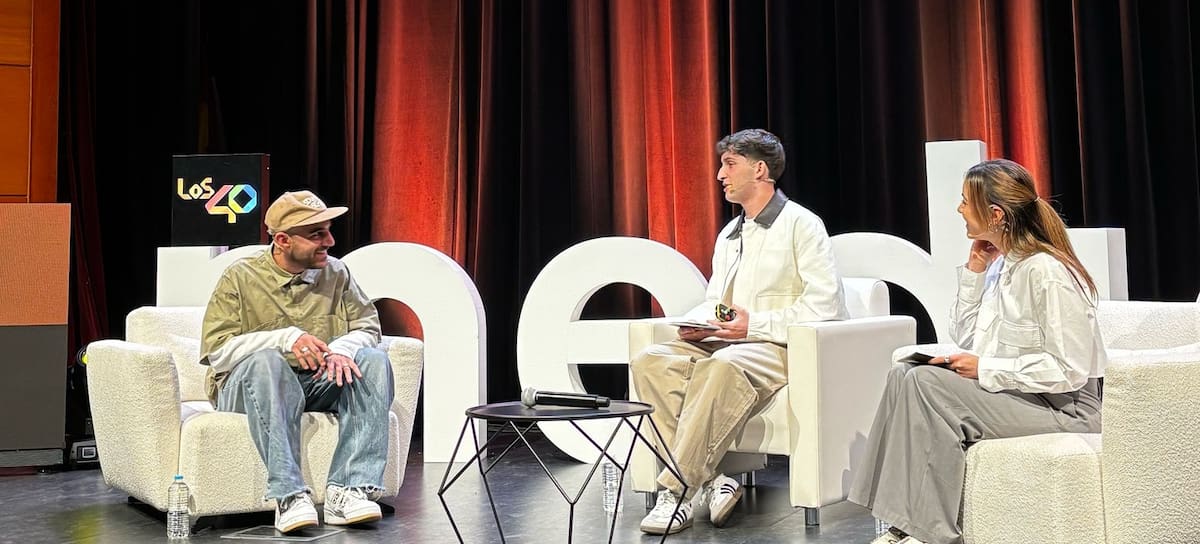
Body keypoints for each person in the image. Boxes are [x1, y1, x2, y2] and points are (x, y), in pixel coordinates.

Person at [849, 159, 1107, 544]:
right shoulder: (1002, 266)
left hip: (1067, 408)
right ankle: (900, 525)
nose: (959, 209)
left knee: (926, 385)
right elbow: (967, 336)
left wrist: (986, 369)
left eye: (966, 201)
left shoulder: (1046, 271)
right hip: (1025, 394)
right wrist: (974, 271)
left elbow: (1068, 369)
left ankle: (929, 534)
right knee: (904, 372)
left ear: (996, 214)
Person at [631, 128, 849, 535]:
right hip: (732, 340)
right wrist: (701, 324)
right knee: (652, 360)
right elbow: (719, 301)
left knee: (724, 365)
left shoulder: (802, 224)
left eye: (730, 164)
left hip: (781, 344)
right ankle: (713, 481)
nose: (720, 175)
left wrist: (755, 325)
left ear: (760, 170)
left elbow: (825, 306)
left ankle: (676, 490)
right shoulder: (731, 233)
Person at [200, 190, 395, 534]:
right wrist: (284, 338)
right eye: (317, 234)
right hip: (250, 389)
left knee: (373, 360)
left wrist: (342, 349)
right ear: (282, 240)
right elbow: (218, 351)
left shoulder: (337, 273)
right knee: (267, 363)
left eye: (328, 231)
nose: (329, 242)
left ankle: (349, 489)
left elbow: (368, 327)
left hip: (314, 382)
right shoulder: (240, 277)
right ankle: (289, 495)